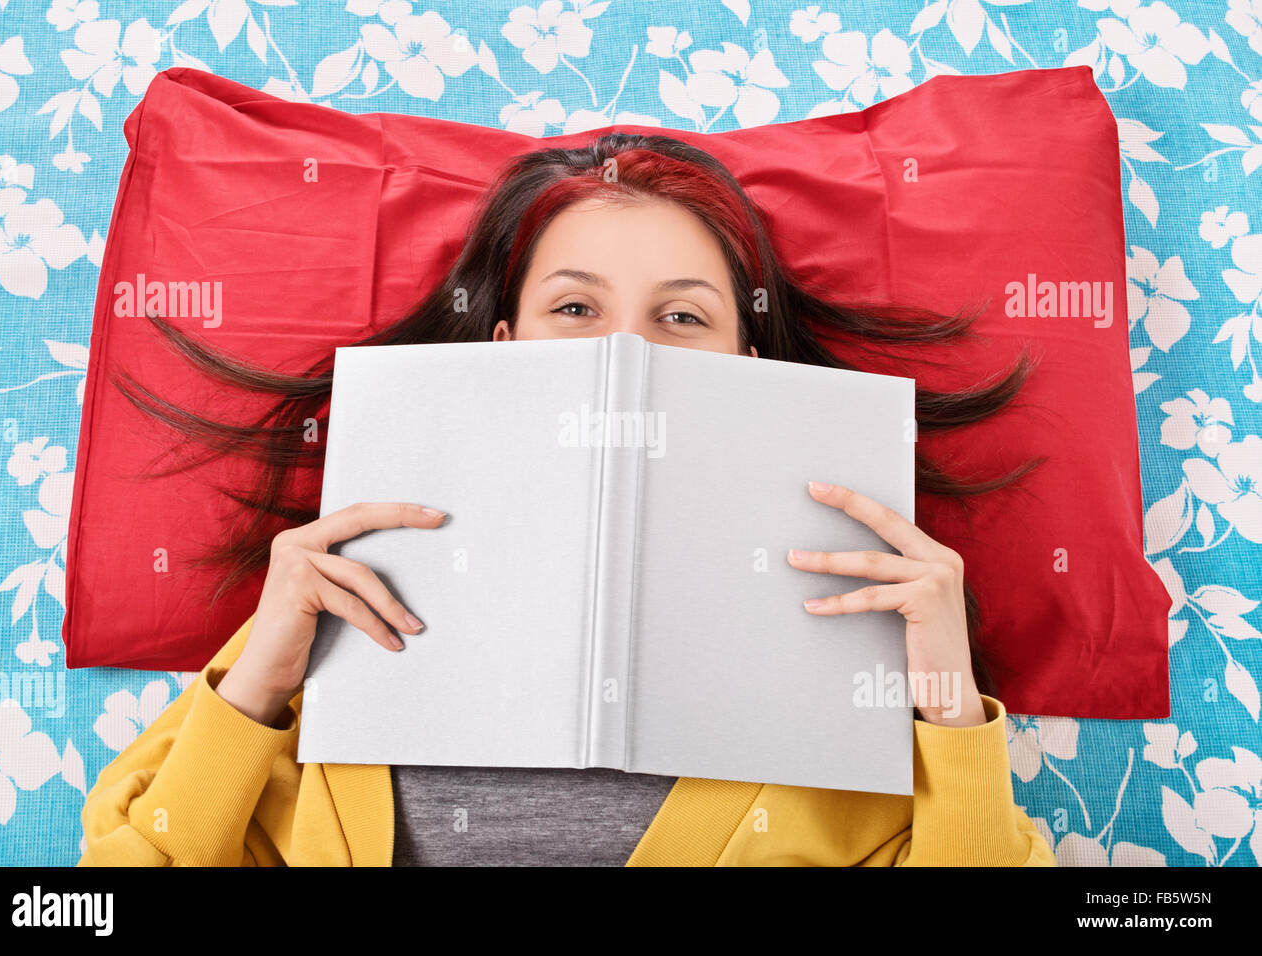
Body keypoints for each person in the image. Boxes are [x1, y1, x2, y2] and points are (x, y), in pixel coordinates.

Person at [79, 132, 1056, 866]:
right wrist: (256, 684)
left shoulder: (857, 656)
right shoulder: (329, 593)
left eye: (680, 316)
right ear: (502, 347)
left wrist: (947, 710)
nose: (621, 354)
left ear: (750, 367)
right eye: (575, 309)